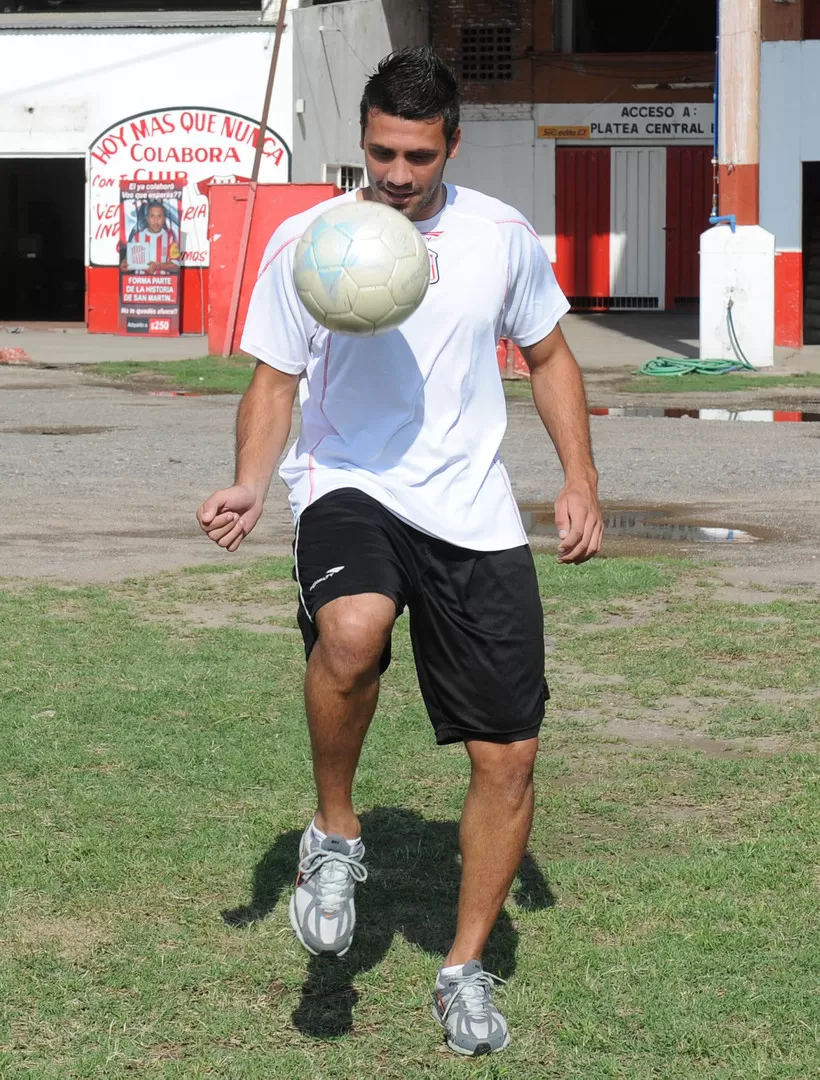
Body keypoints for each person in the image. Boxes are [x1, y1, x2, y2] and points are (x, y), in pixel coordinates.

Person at [197, 46, 602, 1057]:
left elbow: (548, 353)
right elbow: (274, 379)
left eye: (418, 155)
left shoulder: (500, 236)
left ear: (450, 146)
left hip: (473, 511)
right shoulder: (310, 241)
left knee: (508, 757)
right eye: (381, 152)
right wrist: (252, 479)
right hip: (350, 487)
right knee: (352, 628)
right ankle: (335, 834)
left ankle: (462, 971)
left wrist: (580, 481)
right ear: (363, 143)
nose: (397, 174)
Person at [120, 200, 180, 274]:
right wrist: (124, 265)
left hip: (163, 284)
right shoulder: (137, 237)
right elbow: (127, 264)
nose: (156, 220)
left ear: (164, 219)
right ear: (147, 219)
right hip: (141, 284)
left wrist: (158, 266)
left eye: (159, 216)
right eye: (152, 216)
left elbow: (176, 266)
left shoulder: (170, 237)